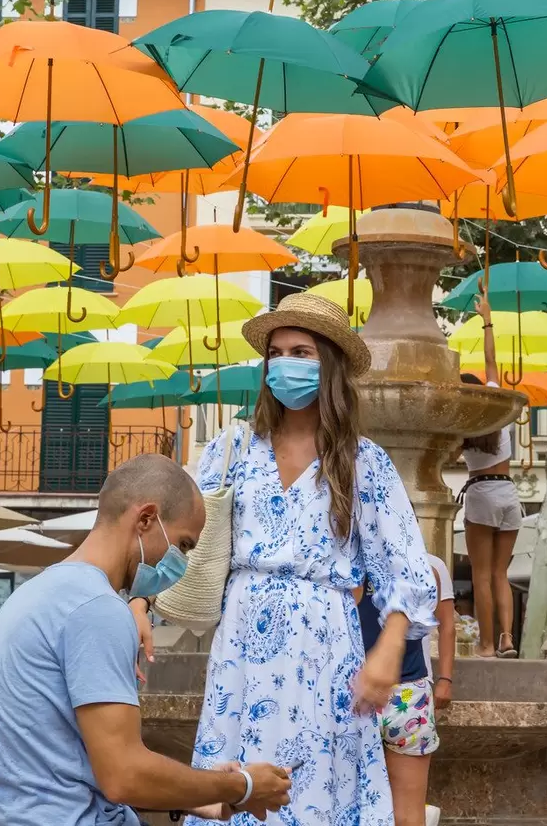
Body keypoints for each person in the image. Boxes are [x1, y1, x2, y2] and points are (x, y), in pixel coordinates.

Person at [132, 294, 437, 826]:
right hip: (241, 648)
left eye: (301, 351)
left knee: (319, 791)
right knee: (235, 783)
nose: (284, 363)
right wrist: (140, 600)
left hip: (327, 648)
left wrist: (388, 651)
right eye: (275, 352)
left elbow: (408, 567)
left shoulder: (365, 461)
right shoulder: (233, 447)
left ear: (331, 366)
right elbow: (178, 540)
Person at [0, 454, 291, 826]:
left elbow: (73, 761)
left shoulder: (37, 593)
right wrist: (242, 785)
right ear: (146, 519)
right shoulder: (98, 610)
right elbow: (125, 776)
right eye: (183, 545)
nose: (179, 565)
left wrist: (205, 797)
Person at [356, 554, 455, 826]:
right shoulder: (426, 567)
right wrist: (445, 679)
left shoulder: (346, 563)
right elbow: (446, 624)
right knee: (409, 815)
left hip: (358, 689)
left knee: (349, 804)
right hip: (411, 694)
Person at [459, 280, 522, 659]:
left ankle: (485, 644)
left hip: (481, 494)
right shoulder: (500, 411)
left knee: (480, 575)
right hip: (510, 495)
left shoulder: (464, 425)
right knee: (502, 574)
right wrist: (487, 321)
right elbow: (491, 363)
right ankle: (508, 638)